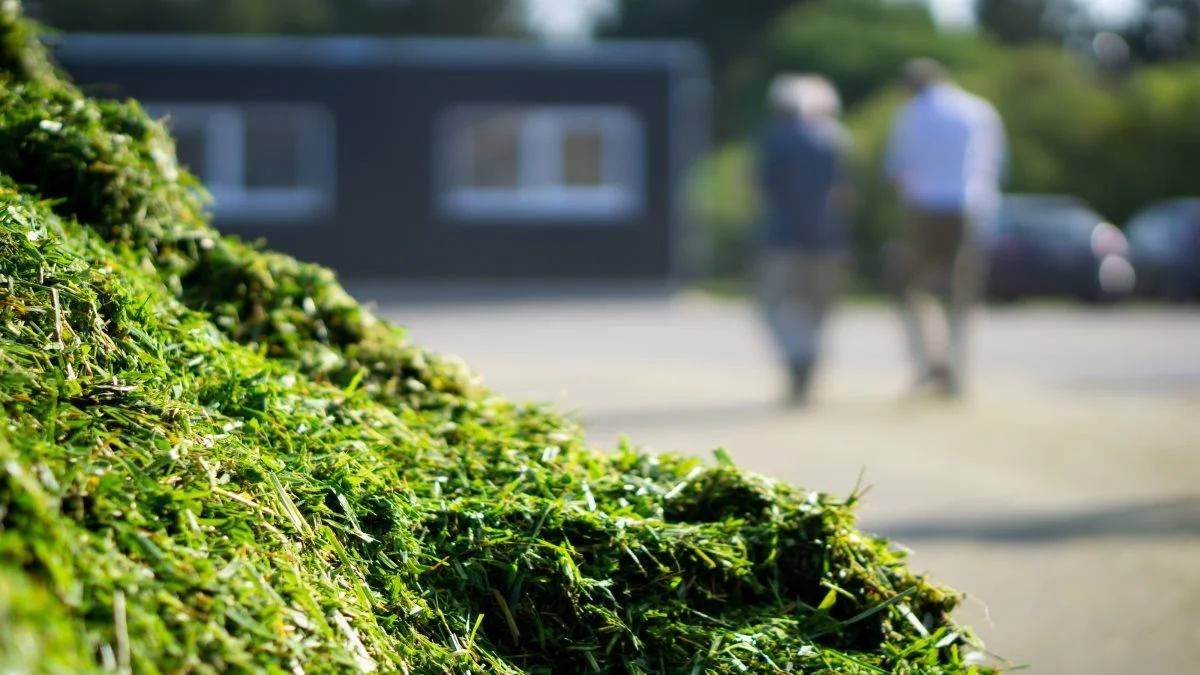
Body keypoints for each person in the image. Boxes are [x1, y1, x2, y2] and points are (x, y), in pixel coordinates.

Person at [883, 58, 1007, 398]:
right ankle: (955, 369)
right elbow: (995, 165)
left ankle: (926, 363)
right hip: (968, 207)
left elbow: (896, 168)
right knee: (960, 291)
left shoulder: (910, 114)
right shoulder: (979, 111)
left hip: (923, 207)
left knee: (907, 288)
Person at [752, 73, 854, 406]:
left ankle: (798, 355)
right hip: (829, 239)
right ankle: (808, 362)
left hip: (781, 238)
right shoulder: (837, 139)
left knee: (774, 304)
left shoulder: (773, 139)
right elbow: (846, 194)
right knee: (820, 311)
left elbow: (759, 189)